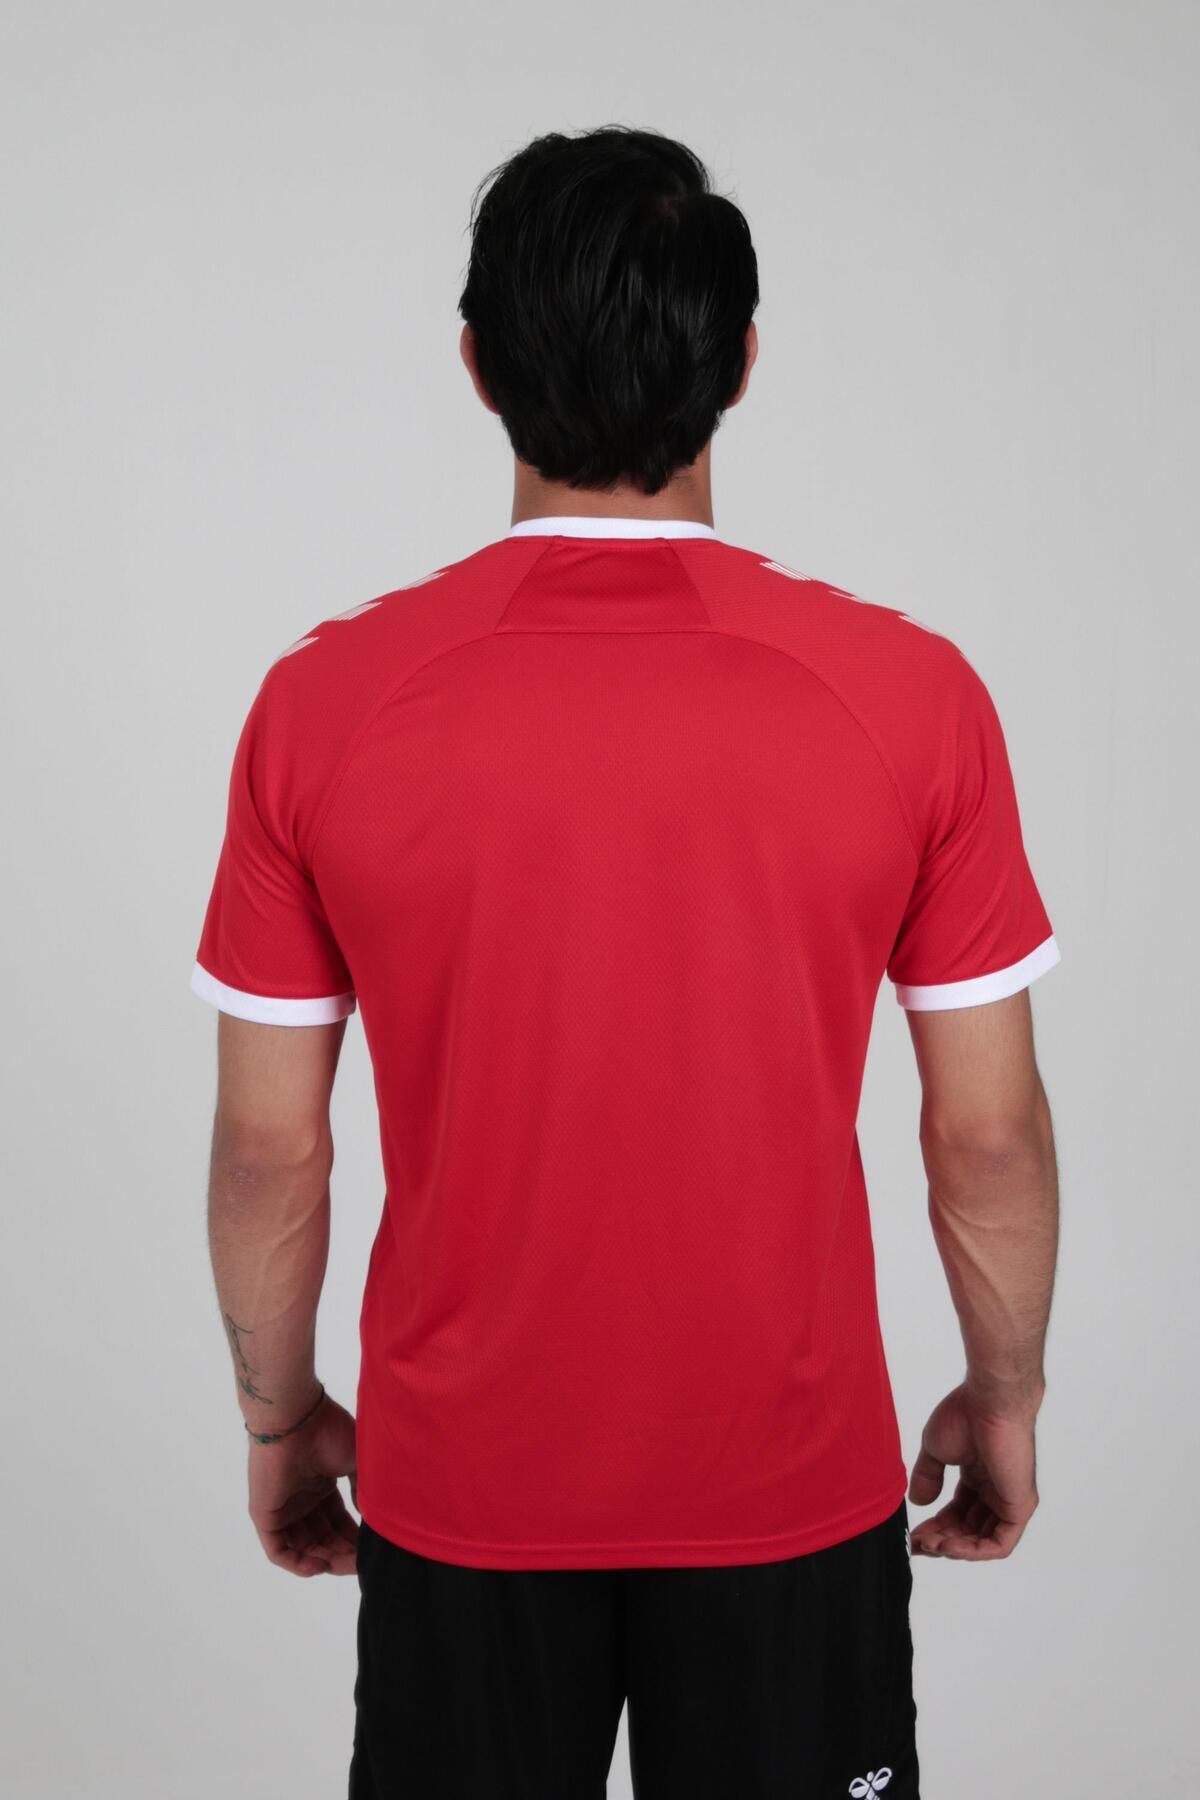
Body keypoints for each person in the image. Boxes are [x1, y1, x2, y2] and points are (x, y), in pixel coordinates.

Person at [191, 125, 1060, 1800]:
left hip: (463, 1496)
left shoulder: (323, 707)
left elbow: (264, 1152)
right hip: (790, 1493)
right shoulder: (910, 699)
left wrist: (280, 1417)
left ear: (476, 367)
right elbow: (990, 1134)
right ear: (741, 362)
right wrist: (1005, 1394)